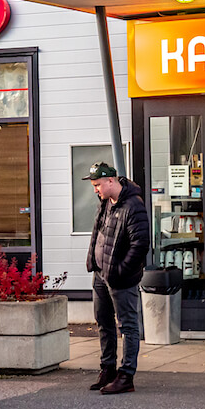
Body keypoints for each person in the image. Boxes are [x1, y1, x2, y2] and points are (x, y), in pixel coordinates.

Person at [84, 162, 150, 395]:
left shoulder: (134, 205)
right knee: (104, 322)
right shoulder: (105, 203)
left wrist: (121, 270)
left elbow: (141, 244)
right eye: (94, 186)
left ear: (111, 181)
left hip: (121, 278)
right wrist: (92, 260)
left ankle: (126, 375)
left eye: (98, 185)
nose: (96, 190)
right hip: (101, 274)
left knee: (128, 326)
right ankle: (108, 368)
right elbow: (98, 233)